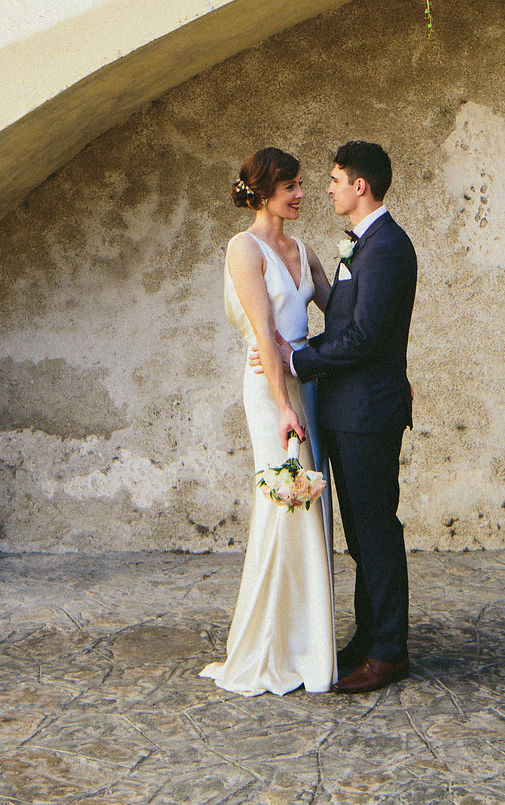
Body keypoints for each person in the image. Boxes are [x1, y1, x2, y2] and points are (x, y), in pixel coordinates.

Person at [200, 147, 336, 696]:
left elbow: (341, 313)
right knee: (286, 502)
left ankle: (309, 643)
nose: (302, 195)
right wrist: (283, 405)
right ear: (263, 193)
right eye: (292, 187)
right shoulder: (244, 248)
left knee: (314, 505)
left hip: (311, 383)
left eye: (304, 185)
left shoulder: (304, 249)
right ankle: (273, 646)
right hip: (272, 391)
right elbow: (263, 332)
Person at [288, 141, 417, 693]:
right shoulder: (360, 247)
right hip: (347, 409)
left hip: (368, 413)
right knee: (362, 536)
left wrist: (298, 359)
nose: (329, 187)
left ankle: (389, 651)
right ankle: (368, 638)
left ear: (360, 186)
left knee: (377, 531)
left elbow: (364, 339)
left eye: (336, 178)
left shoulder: (386, 247)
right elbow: (347, 327)